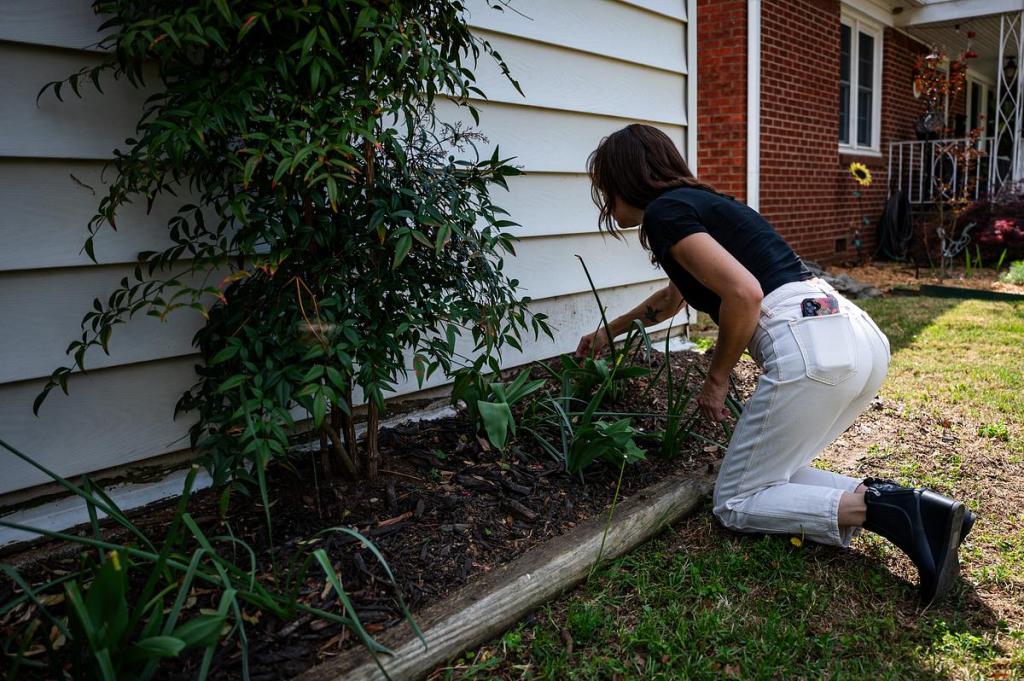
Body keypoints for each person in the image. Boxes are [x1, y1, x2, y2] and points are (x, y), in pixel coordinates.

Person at [576, 124, 974, 605]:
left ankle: (897, 512)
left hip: (807, 345)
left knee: (736, 501)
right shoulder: (702, 206)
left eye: (603, 186)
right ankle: (931, 510)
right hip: (854, 335)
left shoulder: (665, 213)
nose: (603, 199)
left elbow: (744, 294)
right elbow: (670, 300)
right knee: (774, 473)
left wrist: (716, 380)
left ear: (623, 179)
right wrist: (607, 333)